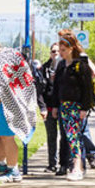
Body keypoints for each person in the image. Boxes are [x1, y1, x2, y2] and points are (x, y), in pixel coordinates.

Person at [0, 37, 38, 182]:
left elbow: (0, 88)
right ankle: (1, 165)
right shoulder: (12, 53)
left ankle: (13, 171)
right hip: (18, 97)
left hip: (8, 104)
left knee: (6, 136)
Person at [53, 30, 95, 180]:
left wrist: (85, 108)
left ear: (71, 49)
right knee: (69, 136)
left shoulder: (80, 66)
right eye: (60, 51)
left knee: (74, 136)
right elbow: (57, 87)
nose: (61, 53)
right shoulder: (61, 66)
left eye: (63, 50)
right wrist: (55, 106)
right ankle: (77, 167)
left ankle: (77, 167)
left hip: (76, 107)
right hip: (64, 106)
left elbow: (87, 89)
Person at [36, 43, 62, 172]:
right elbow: (39, 91)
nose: (55, 53)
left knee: (66, 137)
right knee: (51, 137)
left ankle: (65, 164)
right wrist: (42, 108)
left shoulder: (66, 67)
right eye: (53, 51)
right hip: (49, 108)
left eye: (58, 51)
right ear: (50, 53)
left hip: (63, 108)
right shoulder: (43, 69)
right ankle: (52, 164)